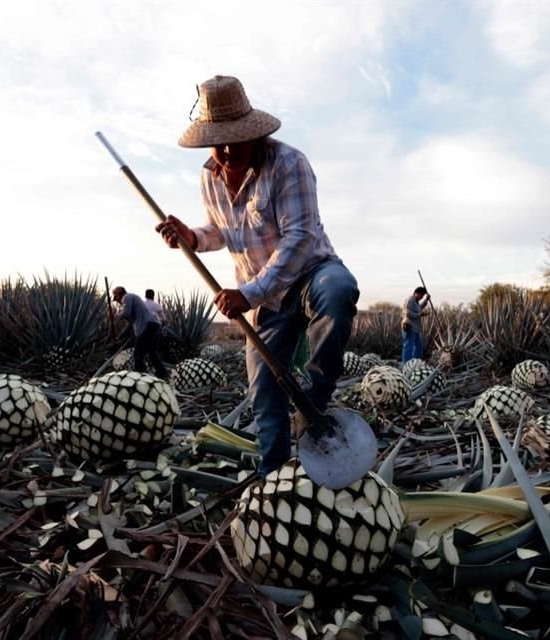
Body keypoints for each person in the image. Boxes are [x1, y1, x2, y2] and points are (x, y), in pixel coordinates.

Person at [155, 75, 359, 478]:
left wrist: (250, 292)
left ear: (255, 133)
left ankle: (314, 404)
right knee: (264, 395)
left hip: (309, 275)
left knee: (339, 289)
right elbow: (222, 231)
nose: (228, 150)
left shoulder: (289, 163)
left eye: (237, 138)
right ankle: (275, 480)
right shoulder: (208, 177)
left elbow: (299, 237)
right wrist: (192, 237)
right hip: (264, 300)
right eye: (220, 140)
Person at [111, 286, 167, 379]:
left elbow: (126, 313)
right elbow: (129, 325)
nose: (116, 301)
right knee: (151, 350)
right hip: (154, 325)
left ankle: (140, 377)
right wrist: (119, 337)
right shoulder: (132, 300)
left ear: (120, 293)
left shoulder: (127, 297)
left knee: (138, 354)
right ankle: (162, 373)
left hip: (148, 326)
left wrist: (116, 317)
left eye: (115, 297)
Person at [401, 286, 431, 363]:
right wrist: (420, 314)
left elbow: (419, 308)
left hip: (416, 329)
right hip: (409, 326)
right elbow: (408, 313)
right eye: (421, 295)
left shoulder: (415, 301)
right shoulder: (410, 300)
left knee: (418, 347)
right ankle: (406, 365)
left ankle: (416, 363)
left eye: (423, 296)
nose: (421, 297)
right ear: (416, 293)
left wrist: (426, 300)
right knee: (408, 347)